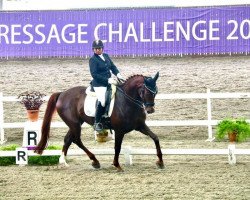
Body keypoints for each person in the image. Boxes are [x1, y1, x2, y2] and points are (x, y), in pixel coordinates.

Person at [89, 39, 123, 132]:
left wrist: (118, 74)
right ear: (93, 50)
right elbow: (94, 74)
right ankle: (97, 122)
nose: (97, 50)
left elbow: (112, 66)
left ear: (102, 48)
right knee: (103, 101)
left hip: (110, 81)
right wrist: (107, 80)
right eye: (95, 49)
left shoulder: (106, 56)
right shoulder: (93, 60)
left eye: (99, 48)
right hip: (99, 84)